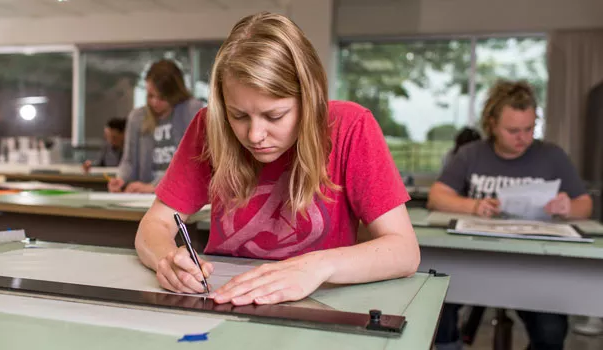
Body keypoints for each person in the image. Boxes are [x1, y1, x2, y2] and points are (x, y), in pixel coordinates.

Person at [134, 12, 420, 305]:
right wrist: (166, 258)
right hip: (224, 299)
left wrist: (318, 267)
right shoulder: (210, 126)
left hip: (319, 306)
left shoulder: (351, 126)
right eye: (239, 115)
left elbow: (404, 251)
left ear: (309, 100)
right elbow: (154, 225)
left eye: (275, 115)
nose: (255, 135)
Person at [428, 80, 593, 350]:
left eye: (529, 129)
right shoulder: (471, 154)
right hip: (472, 262)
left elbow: (584, 205)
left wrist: (568, 208)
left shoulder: (552, 156)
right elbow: (437, 196)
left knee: (551, 330)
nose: (523, 138)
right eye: (513, 130)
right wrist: (473, 206)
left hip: (534, 266)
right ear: (491, 124)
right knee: (437, 305)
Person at [108, 59, 204, 193]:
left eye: (162, 98)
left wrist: (153, 187)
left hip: (180, 195)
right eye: (151, 96)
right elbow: (129, 161)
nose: (155, 102)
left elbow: (191, 162)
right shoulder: (137, 118)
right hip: (145, 198)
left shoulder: (191, 111)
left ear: (175, 94)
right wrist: (121, 179)